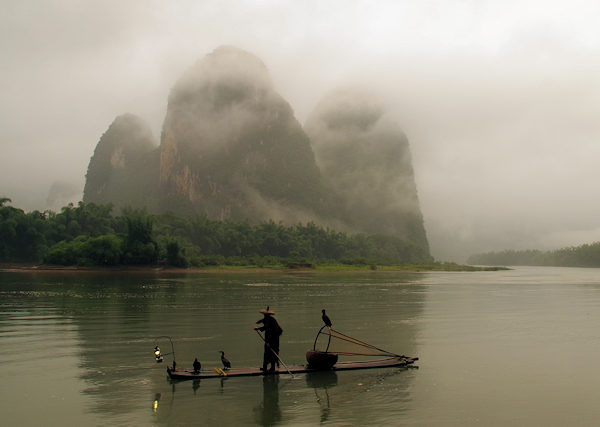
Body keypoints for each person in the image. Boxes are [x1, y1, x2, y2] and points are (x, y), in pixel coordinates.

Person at [253, 306, 283, 373]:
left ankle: (272, 368)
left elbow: (270, 331)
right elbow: (264, 325)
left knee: (271, 353)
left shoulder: (271, 321)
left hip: (273, 339)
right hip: (269, 338)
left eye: (265, 315)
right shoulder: (267, 319)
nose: (264, 316)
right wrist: (258, 328)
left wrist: (269, 343)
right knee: (266, 352)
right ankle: (264, 367)